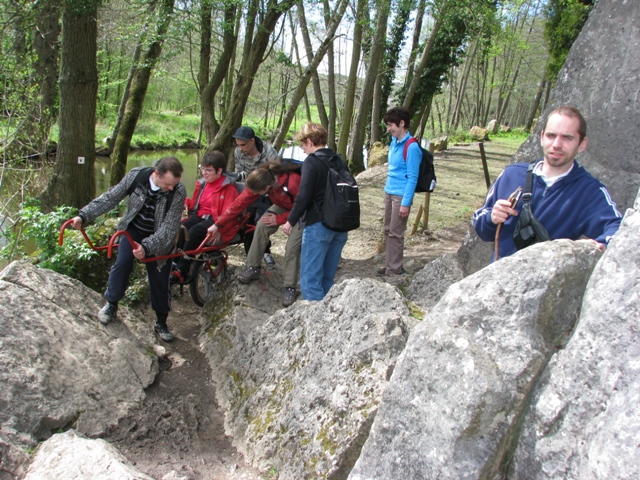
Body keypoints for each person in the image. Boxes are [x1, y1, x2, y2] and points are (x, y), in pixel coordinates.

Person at [472, 105, 622, 260]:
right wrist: (491, 217)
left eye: (567, 138)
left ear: (582, 143)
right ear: (542, 137)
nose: (557, 144)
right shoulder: (512, 174)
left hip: (548, 281)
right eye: (551, 135)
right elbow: (482, 228)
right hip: (497, 279)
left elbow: (617, 228)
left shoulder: (589, 191)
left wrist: (603, 244)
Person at [72, 157, 186, 342]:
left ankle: (161, 321)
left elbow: (169, 227)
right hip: (132, 230)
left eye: (174, 184)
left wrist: (148, 247)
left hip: (159, 237)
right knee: (122, 263)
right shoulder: (137, 177)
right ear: (156, 174)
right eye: (168, 184)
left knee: (159, 277)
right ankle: (111, 304)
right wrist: (84, 215)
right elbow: (111, 197)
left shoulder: (178, 191)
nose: (171, 188)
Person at [207, 161, 303, 307]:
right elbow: (238, 204)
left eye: (257, 193)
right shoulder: (260, 180)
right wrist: (218, 224)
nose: (254, 195)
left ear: (267, 188)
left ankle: (289, 286)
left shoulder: (293, 181)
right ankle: (253, 267)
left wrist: (279, 219)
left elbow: (303, 206)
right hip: (284, 206)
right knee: (261, 225)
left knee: (291, 247)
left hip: (302, 211)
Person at [282, 122, 348, 301]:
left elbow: (304, 196)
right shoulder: (338, 159)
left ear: (310, 142)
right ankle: (327, 319)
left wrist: (290, 221)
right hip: (341, 225)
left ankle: (315, 324)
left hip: (319, 225)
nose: (303, 150)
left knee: (310, 280)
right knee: (327, 277)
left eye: (303, 144)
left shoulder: (311, 162)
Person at [170, 151, 239, 285]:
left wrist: (219, 227)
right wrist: (184, 204)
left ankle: (181, 270)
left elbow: (229, 214)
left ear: (219, 171)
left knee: (195, 232)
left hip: (218, 221)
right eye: (203, 169)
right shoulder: (202, 185)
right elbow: (193, 202)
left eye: (209, 170)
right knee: (181, 228)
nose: (204, 173)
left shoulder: (229, 189)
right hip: (200, 216)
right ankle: (175, 262)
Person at [377, 106, 421, 277]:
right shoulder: (394, 142)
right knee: (388, 230)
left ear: (401, 123)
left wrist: (405, 203)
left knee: (396, 233)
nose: (389, 129)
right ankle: (390, 265)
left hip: (401, 195)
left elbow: (412, 177)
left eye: (391, 125)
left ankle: (394, 269)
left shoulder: (412, 147)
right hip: (389, 192)